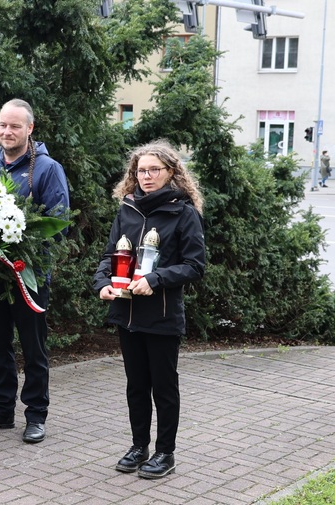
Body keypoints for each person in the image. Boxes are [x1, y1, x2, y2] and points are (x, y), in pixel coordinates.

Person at [92, 140, 206, 479]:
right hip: (127, 314)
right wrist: (102, 283)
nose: (147, 176)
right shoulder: (127, 210)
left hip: (162, 316)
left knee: (163, 388)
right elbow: (109, 257)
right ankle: (138, 446)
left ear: (171, 172)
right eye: (141, 170)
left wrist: (156, 279)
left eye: (154, 170)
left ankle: (165, 453)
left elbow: (195, 266)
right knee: (136, 385)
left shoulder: (183, 213)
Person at [0, 99, 70, 444]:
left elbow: (60, 222)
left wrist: (21, 246)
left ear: (30, 129)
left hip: (29, 275)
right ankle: (0, 409)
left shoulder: (48, 169)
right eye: (2, 125)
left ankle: (36, 415)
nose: (7, 132)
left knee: (33, 348)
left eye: (15, 126)